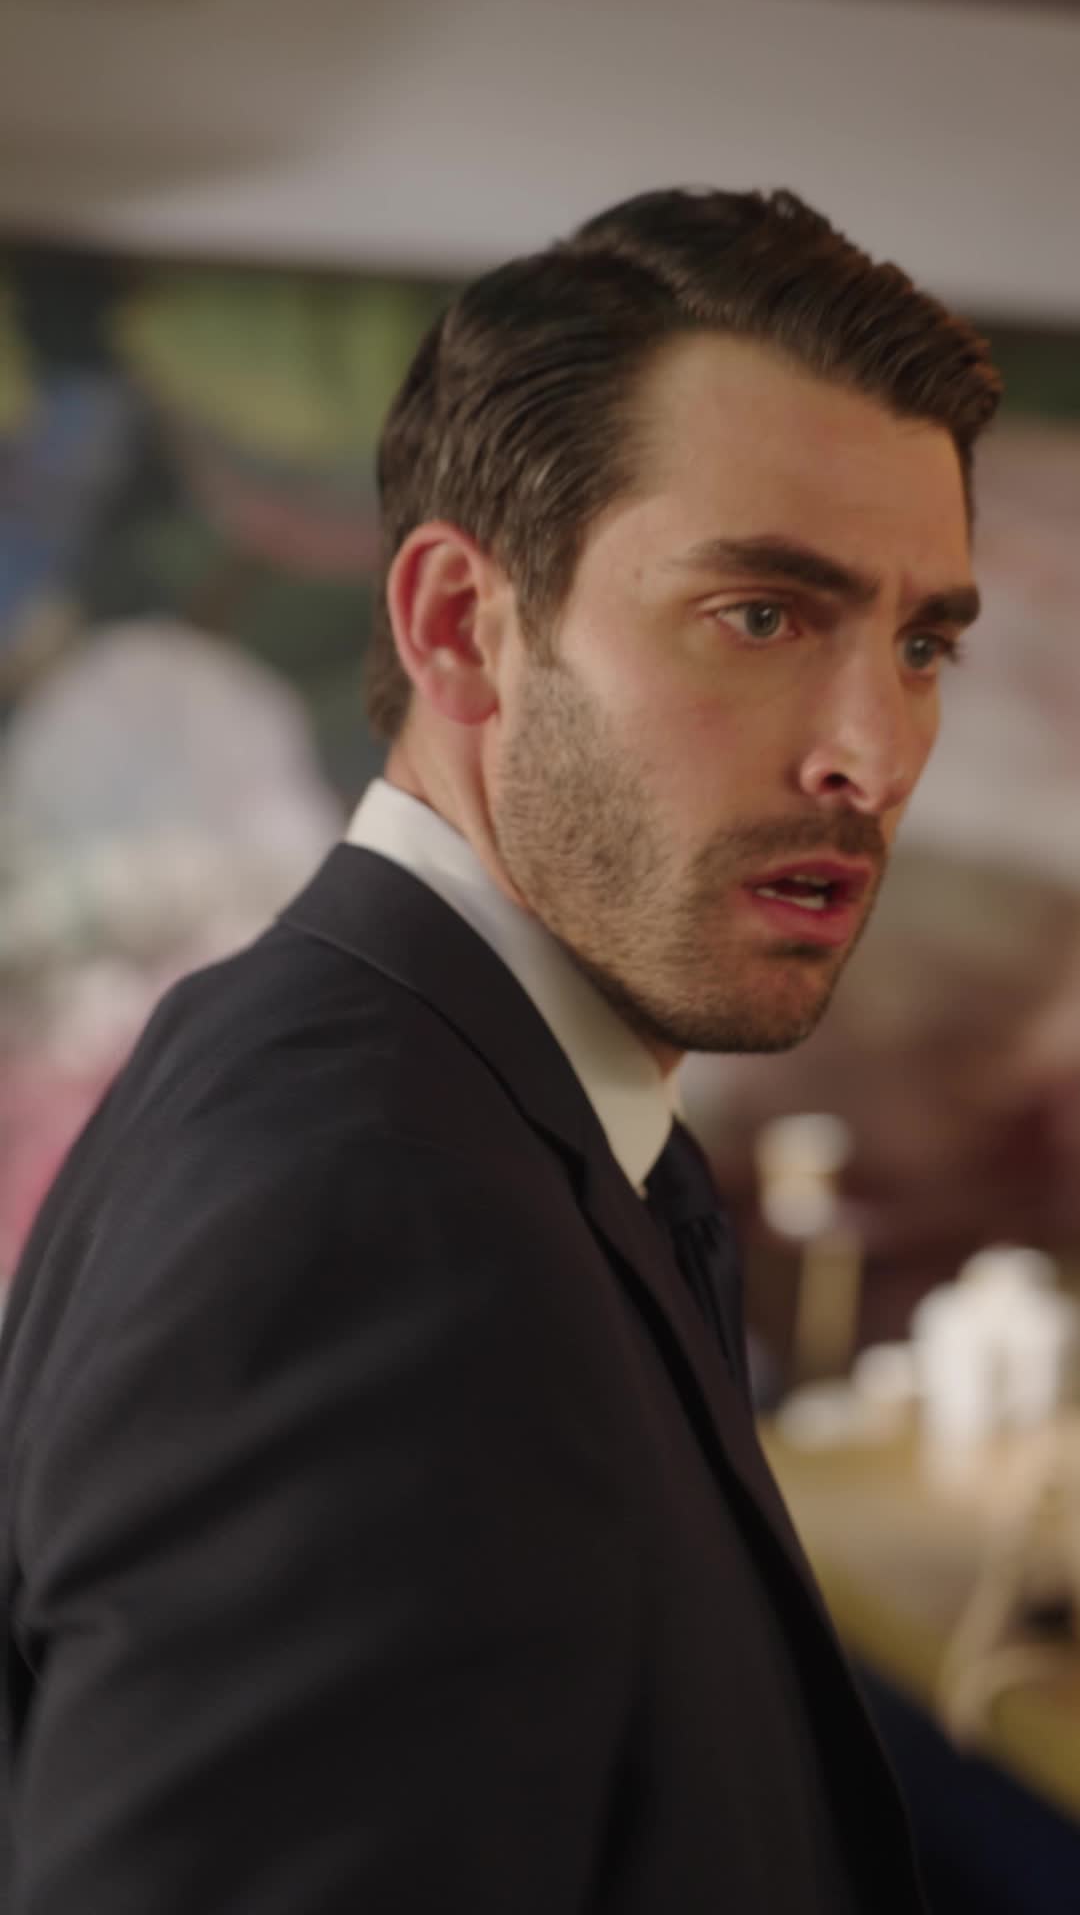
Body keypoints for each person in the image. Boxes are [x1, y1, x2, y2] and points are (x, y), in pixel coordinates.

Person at [0, 188, 1000, 1913]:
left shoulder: (448, 1108)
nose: (875, 752)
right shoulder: (369, 1212)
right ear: (462, 625)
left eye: (920, 644)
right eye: (764, 613)